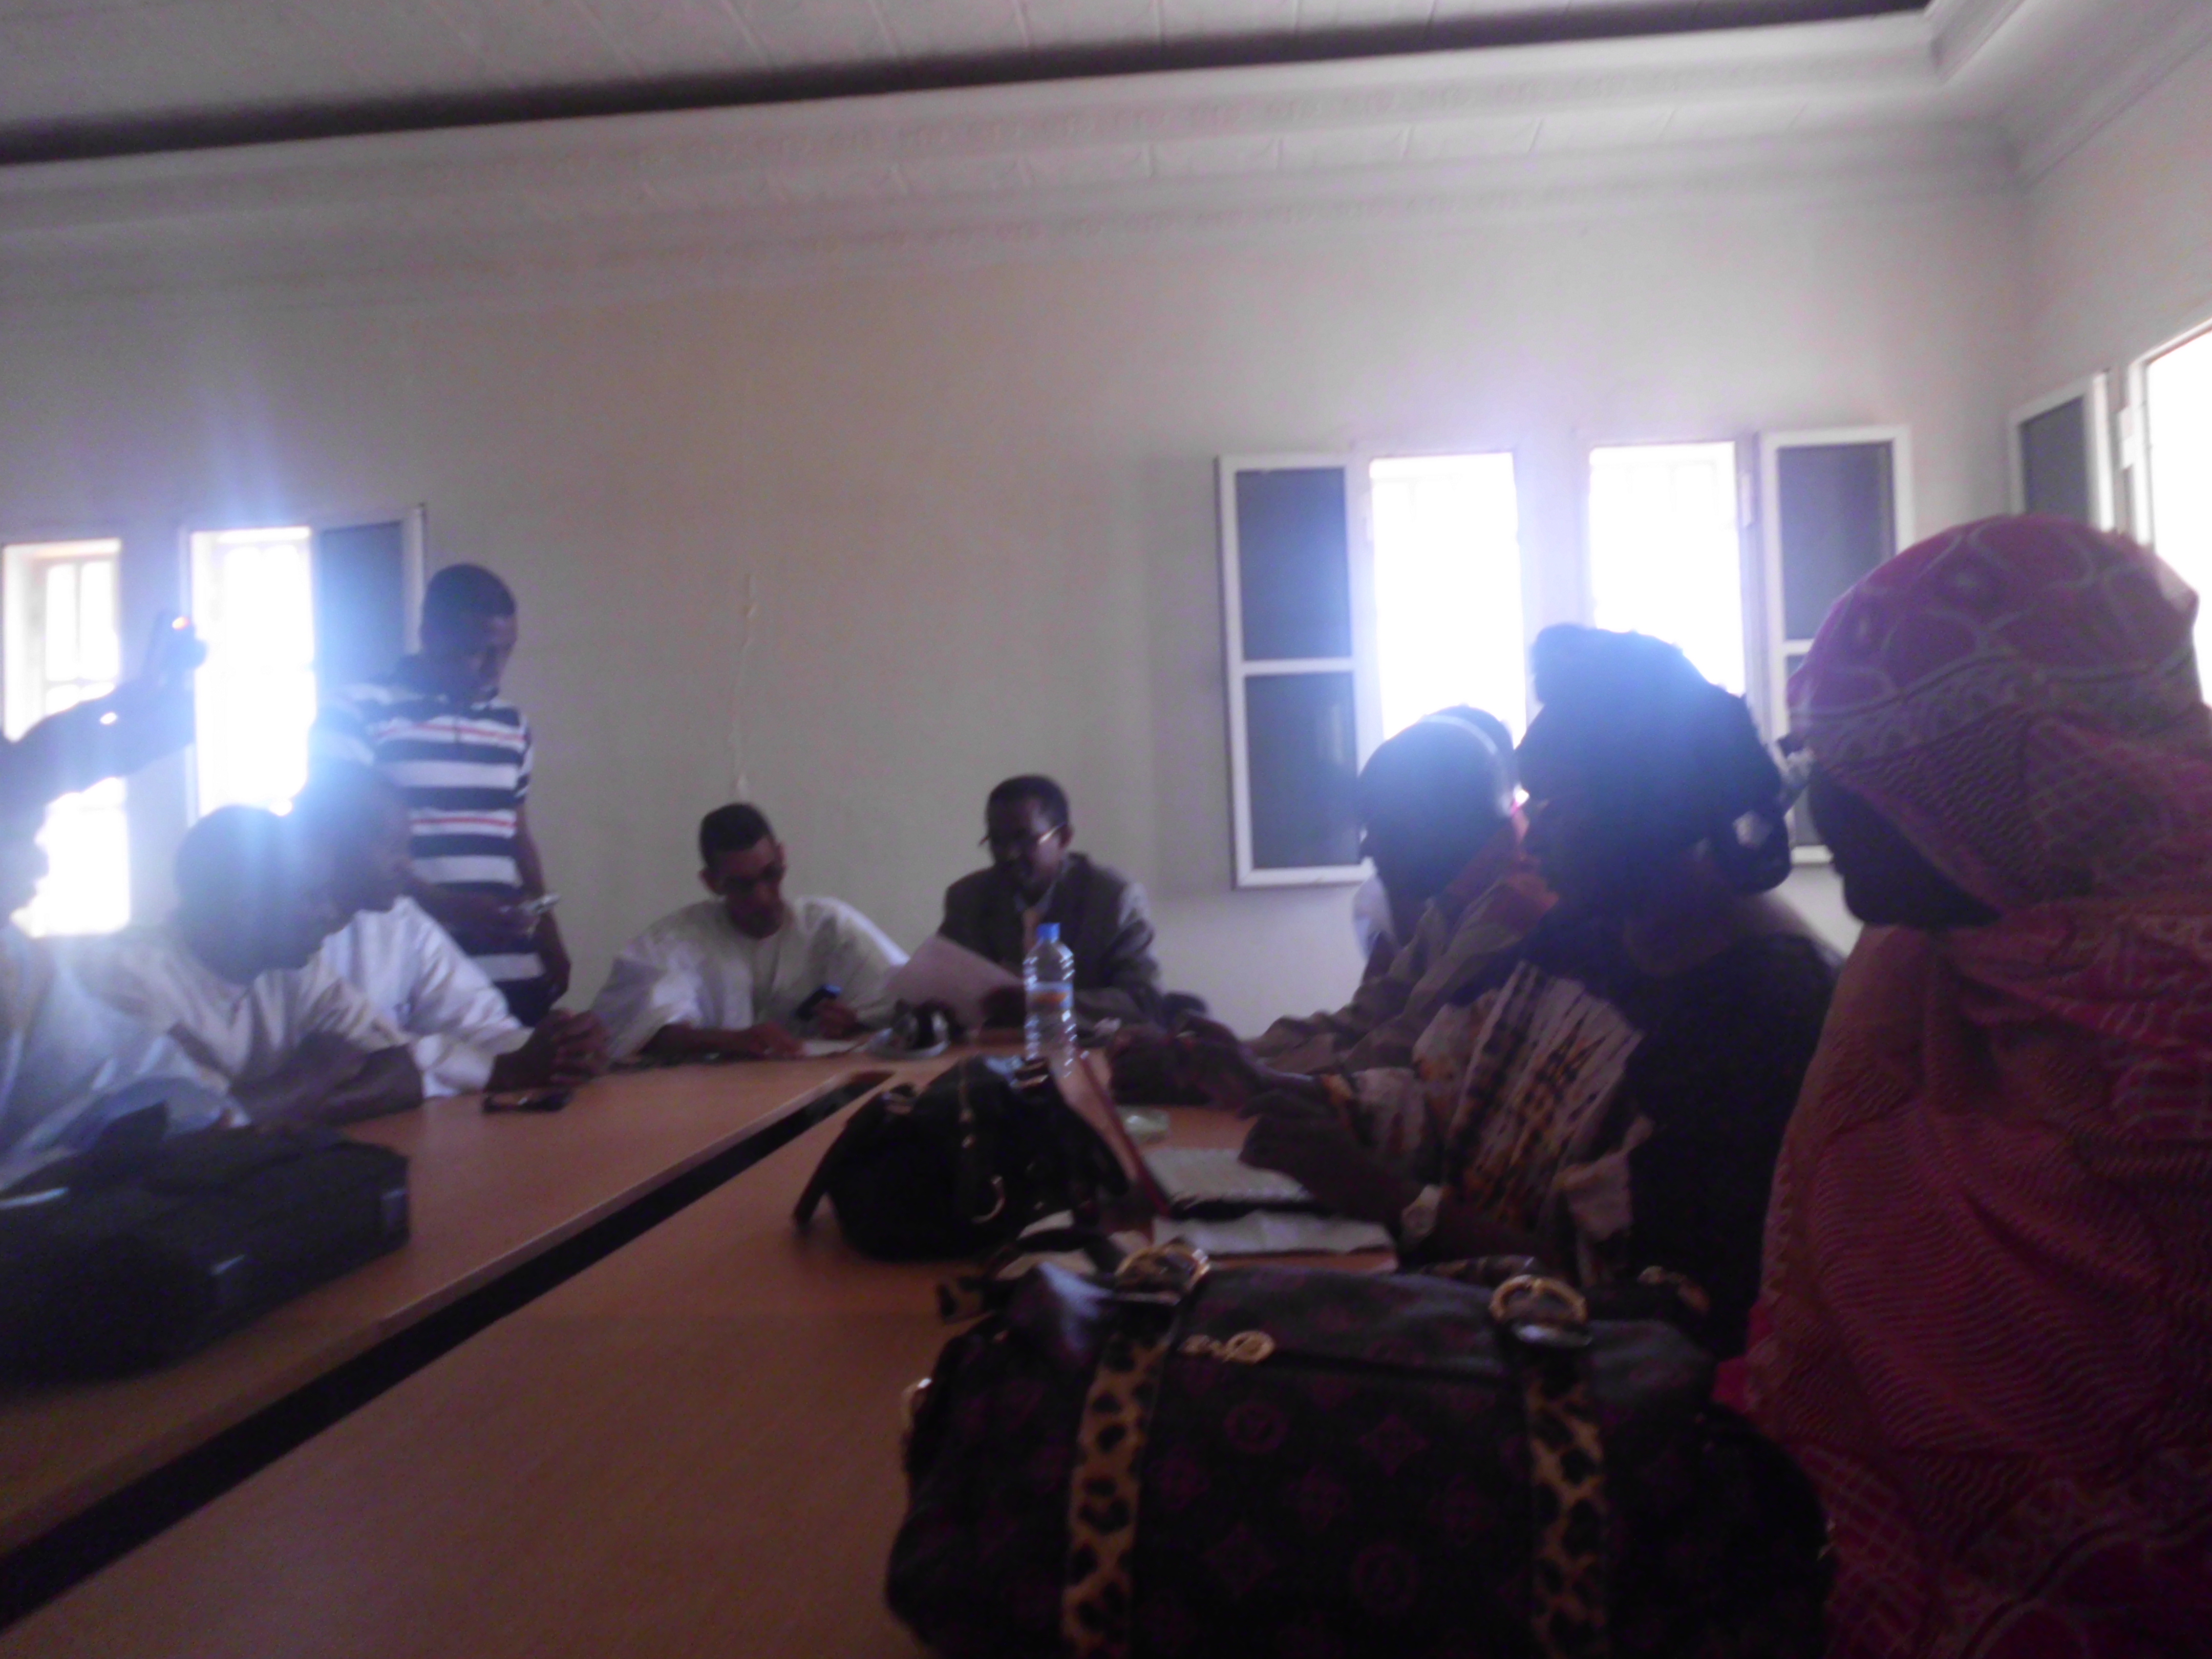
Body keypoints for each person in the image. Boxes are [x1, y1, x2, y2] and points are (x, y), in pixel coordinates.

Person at [1748, 517, 2212, 1656]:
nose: (1821, 808)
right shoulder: (1916, 971)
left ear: (2030, 775)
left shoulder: (2185, 1018)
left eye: (1867, 761)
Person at [1231, 626, 1836, 1357]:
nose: (1531, 834)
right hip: (1467, 1324)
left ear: (1644, 809)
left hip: (1567, 1382)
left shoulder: (1763, 1013)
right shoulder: (1587, 932)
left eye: (1553, 804)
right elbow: (1439, 1092)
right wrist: (1269, 1091)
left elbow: (1648, 1307)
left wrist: (1389, 1198)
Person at [311, 563, 569, 1025]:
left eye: (506, 651)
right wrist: (442, 905)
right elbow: (345, 839)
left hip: (508, 962)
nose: (494, 669)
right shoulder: (355, 711)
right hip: (404, 969)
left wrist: (549, 932)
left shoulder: (511, 723)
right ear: (429, 636)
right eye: (476, 652)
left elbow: (516, 836)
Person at [75, 806, 423, 1126]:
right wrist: (315, 1073)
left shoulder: (294, 967)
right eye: (312, 896)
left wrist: (281, 1106)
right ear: (246, 907)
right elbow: (189, 1127)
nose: (331, 913)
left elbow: (404, 1076)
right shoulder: (128, 977)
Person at [1246, 710, 1551, 1074]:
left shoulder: (1511, 907)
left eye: (1377, 827)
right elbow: (1369, 1015)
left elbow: (1406, 1049)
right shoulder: (1460, 894)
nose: (1365, 849)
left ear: (1433, 822)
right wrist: (1237, 1051)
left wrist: (1259, 1073)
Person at [0, 716, 230, 1185]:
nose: (40, 864)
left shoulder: (16, 963)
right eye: (14, 836)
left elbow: (110, 1072)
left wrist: (186, 1119)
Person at [293, 763, 608, 1098]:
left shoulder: (403, 922)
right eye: (392, 846)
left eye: (408, 848)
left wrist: (560, 1049)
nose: (407, 866)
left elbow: (477, 1025)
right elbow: (365, 1059)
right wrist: (503, 1070)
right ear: (334, 841)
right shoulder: (285, 943)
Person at [592, 803, 907, 1062]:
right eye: (742, 885)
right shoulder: (674, 943)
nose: (763, 897)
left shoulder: (830, 927)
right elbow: (638, 1033)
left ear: (782, 857)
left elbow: (908, 999)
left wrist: (856, 1023)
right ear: (712, 883)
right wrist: (732, 1041)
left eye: (771, 875)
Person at [940, 776, 1162, 1027]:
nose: (1009, 854)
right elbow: (945, 989)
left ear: (1064, 838)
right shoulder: (967, 898)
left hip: (1084, 1046)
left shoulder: (1114, 899)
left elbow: (1144, 1001)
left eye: (1025, 839)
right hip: (991, 1047)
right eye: (998, 841)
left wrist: (1045, 1003)